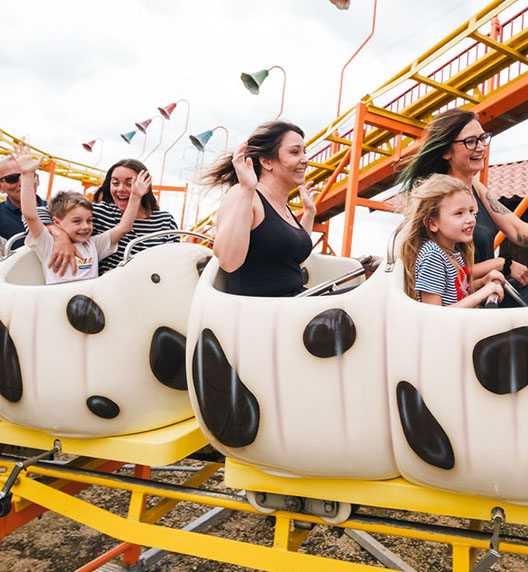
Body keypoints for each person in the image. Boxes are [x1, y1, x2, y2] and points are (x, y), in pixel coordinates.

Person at [398, 107, 528, 304]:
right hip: (470, 303)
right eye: (470, 141)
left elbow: (519, 231)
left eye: (482, 138)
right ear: (445, 152)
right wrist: (502, 263)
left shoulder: (475, 187)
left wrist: (494, 271)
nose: (481, 147)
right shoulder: (435, 197)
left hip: (481, 289)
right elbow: (442, 271)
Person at [203, 120, 316, 297]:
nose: (305, 160)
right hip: (263, 307)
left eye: (304, 152)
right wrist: (246, 191)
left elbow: (293, 263)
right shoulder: (245, 194)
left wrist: (309, 213)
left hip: (294, 302)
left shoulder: (282, 207)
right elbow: (228, 261)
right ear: (266, 162)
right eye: (295, 152)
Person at [15, 149, 151, 284]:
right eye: (77, 221)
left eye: (89, 220)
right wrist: (27, 175)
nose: (85, 226)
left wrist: (135, 196)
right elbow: (30, 215)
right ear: (57, 222)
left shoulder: (94, 245)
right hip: (58, 297)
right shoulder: (47, 243)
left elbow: (124, 227)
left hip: (88, 297)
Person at [36, 158, 180, 275]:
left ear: (145, 186)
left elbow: (174, 262)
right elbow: (40, 211)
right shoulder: (99, 213)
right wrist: (60, 235)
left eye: (130, 184)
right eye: (115, 183)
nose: (120, 189)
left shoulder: (165, 221)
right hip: (106, 290)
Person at [400, 174, 504, 307]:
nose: (470, 219)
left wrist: (482, 282)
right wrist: (483, 293)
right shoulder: (433, 256)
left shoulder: (451, 252)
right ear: (433, 224)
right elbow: (433, 314)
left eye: (471, 211)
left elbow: (458, 291)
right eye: (459, 213)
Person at [0, 155, 46, 249]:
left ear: (37, 179)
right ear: (1, 187)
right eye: (12, 178)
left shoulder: (60, 210)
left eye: (29, 175)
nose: (23, 183)